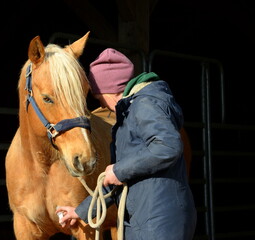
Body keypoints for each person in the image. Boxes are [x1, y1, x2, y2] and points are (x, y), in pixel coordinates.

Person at [56, 48, 197, 239]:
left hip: (158, 221)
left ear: (111, 89)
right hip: (146, 219)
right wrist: (80, 212)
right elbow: (114, 178)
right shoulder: (129, 115)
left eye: (99, 98)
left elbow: (168, 146)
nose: (102, 106)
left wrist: (119, 171)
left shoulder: (145, 104)